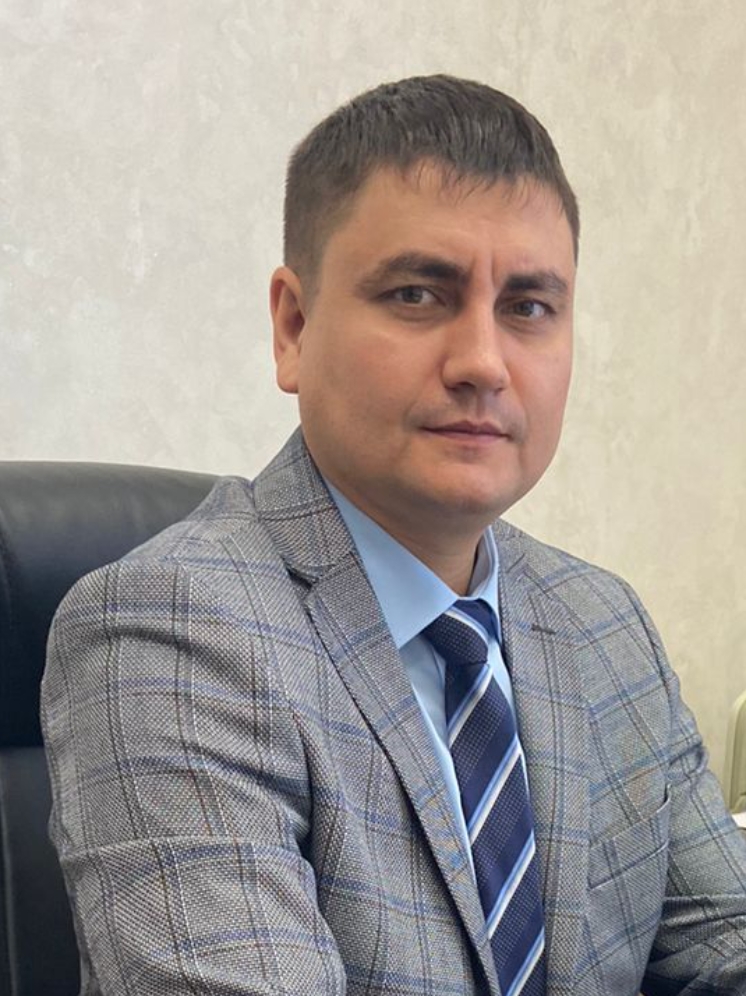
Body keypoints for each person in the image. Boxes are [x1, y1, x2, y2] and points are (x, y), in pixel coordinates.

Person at [41, 75, 746, 996]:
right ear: (294, 327)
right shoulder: (168, 635)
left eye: (529, 307)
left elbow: (723, 943)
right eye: (418, 294)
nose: (484, 363)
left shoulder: (604, 623)